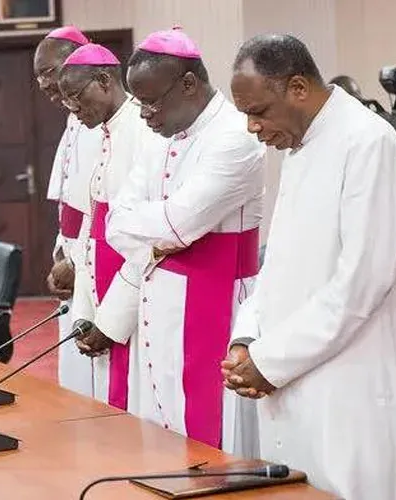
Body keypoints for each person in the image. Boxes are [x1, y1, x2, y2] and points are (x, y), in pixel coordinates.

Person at [222, 34, 396, 499]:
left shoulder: (367, 141)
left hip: (344, 389)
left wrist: (268, 361)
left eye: (259, 112)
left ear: (297, 88)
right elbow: (280, 262)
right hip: (289, 377)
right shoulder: (302, 143)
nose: (253, 127)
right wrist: (246, 337)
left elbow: (360, 284)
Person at [75, 28, 265, 456]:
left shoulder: (235, 136)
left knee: (216, 446)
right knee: (158, 437)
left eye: (151, 101)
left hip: (218, 304)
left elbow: (179, 225)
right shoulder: (163, 137)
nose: (144, 115)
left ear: (188, 84)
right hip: (157, 305)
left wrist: (158, 228)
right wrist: (158, 231)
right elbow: (117, 223)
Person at [58, 43, 149, 409]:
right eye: (67, 102)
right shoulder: (103, 133)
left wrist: (110, 322)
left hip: (131, 295)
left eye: (77, 98)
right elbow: (89, 231)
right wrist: (84, 312)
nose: (74, 110)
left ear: (104, 79)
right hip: (101, 288)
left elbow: (145, 243)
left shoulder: (144, 131)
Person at [34, 26, 103, 397]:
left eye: (49, 71)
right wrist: (62, 254)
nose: (44, 84)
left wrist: (77, 262)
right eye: (39, 76)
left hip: (95, 262)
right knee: (76, 380)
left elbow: (101, 204)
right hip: (74, 256)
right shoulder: (74, 119)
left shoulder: (102, 119)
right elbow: (69, 202)